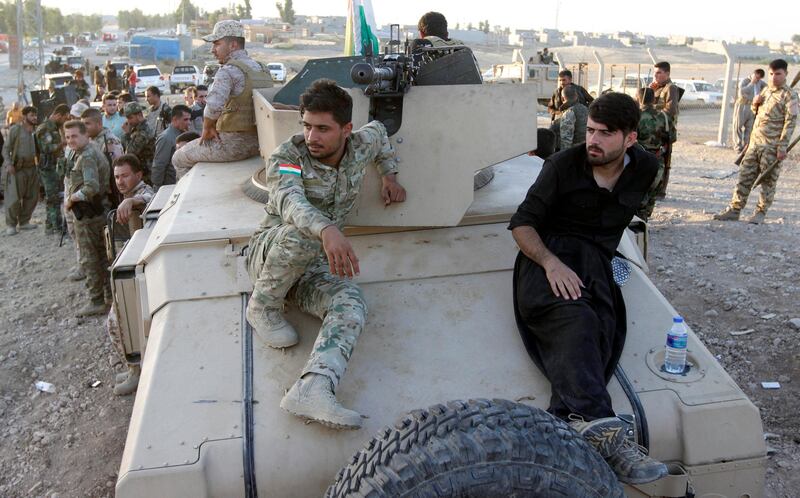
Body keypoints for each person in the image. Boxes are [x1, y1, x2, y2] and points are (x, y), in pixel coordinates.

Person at [509, 92, 668, 484]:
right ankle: (611, 436)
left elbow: (631, 217)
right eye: (591, 130)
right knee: (574, 322)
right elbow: (522, 224)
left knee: (605, 334)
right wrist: (550, 263)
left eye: (605, 134)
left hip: (597, 264)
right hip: (549, 259)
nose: (592, 140)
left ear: (630, 138)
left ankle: (565, 427)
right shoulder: (563, 165)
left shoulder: (646, 168)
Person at [246, 79, 406, 429]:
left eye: (322, 128)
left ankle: (314, 386)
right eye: (306, 125)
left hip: (313, 264)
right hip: (271, 252)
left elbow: (380, 135)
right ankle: (262, 306)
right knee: (304, 233)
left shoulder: (362, 143)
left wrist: (389, 175)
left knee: (351, 302)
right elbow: (290, 201)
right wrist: (328, 229)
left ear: (347, 129)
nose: (311, 136)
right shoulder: (289, 156)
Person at [172, 20, 273, 178]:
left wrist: (206, 128)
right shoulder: (263, 69)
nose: (213, 50)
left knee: (178, 158)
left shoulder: (228, 71)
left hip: (233, 145)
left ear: (233, 45)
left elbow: (212, 108)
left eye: (217, 44)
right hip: (261, 143)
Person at [714, 59, 798, 224]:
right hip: (755, 143)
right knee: (745, 176)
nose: (774, 77)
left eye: (778, 74)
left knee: (768, 180)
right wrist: (754, 104)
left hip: (772, 146)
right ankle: (735, 209)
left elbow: (790, 123)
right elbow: (758, 114)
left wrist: (782, 147)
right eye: (772, 74)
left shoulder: (790, 95)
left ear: (786, 74)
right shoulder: (766, 91)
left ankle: (760, 212)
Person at [107, 154, 155, 396]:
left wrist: (132, 201)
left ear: (138, 175)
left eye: (125, 175)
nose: (120, 181)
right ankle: (133, 368)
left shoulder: (143, 194)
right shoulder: (126, 195)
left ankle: (138, 372)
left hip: (143, 270)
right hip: (132, 267)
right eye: (116, 177)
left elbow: (150, 199)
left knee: (119, 323)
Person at [63, 120, 112, 316]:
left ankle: (97, 300)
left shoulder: (88, 156)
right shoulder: (85, 151)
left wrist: (72, 199)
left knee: (90, 258)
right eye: (67, 137)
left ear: (85, 135)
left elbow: (91, 187)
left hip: (89, 214)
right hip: (95, 212)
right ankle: (108, 297)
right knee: (102, 256)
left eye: (74, 136)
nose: (70, 140)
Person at [635, 87, 672, 220]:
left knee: (638, 190)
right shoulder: (664, 116)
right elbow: (670, 138)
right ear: (654, 99)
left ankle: (637, 220)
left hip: (639, 159)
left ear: (639, 98)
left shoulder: (636, 116)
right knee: (652, 192)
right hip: (658, 159)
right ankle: (644, 219)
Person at [2, 106, 39, 235]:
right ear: (24, 116)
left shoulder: (36, 131)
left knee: (32, 196)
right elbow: (6, 149)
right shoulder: (16, 130)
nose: (34, 118)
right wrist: (8, 164)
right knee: (14, 198)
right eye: (31, 115)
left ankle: (24, 222)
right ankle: (11, 224)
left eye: (35, 115)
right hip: (17, 168)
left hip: (33, 168)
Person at [34, 104, 71, 234]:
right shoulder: (45, 129)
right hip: (48, 168)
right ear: (58, 115)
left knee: (54, 197)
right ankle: (57, 226)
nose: (65, 121)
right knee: (53, 198)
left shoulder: (55, 128)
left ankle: (50, 225)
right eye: (64, 118)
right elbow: (46, 148)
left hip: (55, 167)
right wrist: (63, 143)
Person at [649, 61, 680, 198]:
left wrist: (651, 108)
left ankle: (661, 190)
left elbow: (671, 109)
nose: (655, 75)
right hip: (653, 129)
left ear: (667, 74)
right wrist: (650, 92)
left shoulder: (671, 88)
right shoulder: (656, 87)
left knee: (664, 159)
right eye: (655, 72)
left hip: (664, 129)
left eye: (659, 73)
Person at [151, 104, 191, 189]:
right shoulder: (166, 138)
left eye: (189, 119)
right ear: (175, 119)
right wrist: (157, 188)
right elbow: (159, 165)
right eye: (185, 119)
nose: (189, 122)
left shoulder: (183, 133)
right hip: (170, 186)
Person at [731, 69, 766, 153]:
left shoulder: (760, 83)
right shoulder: (745, 81)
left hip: (753, 106)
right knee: (738, 126)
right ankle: (738, 146)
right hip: (742, 105)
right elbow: (742, 92)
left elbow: (767, 88)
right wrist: (752, 83)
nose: (758, 79)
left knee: (750, 127)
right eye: (757, 77)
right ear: (754, 74)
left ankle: (747, 146)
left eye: (759, 78)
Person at [121, 102, 155, 182]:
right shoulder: (136, 127)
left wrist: (127, 134)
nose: (128, 121)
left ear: (139, 115)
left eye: (130, 118)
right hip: (140, 170)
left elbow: (129, 153)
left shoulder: (143, 131)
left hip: (146, 173)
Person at [555, 84, 589, 151]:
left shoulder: (569, 112)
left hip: (574, 151)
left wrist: (564, 156)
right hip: (585, 149)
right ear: (576, 96)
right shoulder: (585, 109)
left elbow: (566, 139)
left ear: (562, 98)